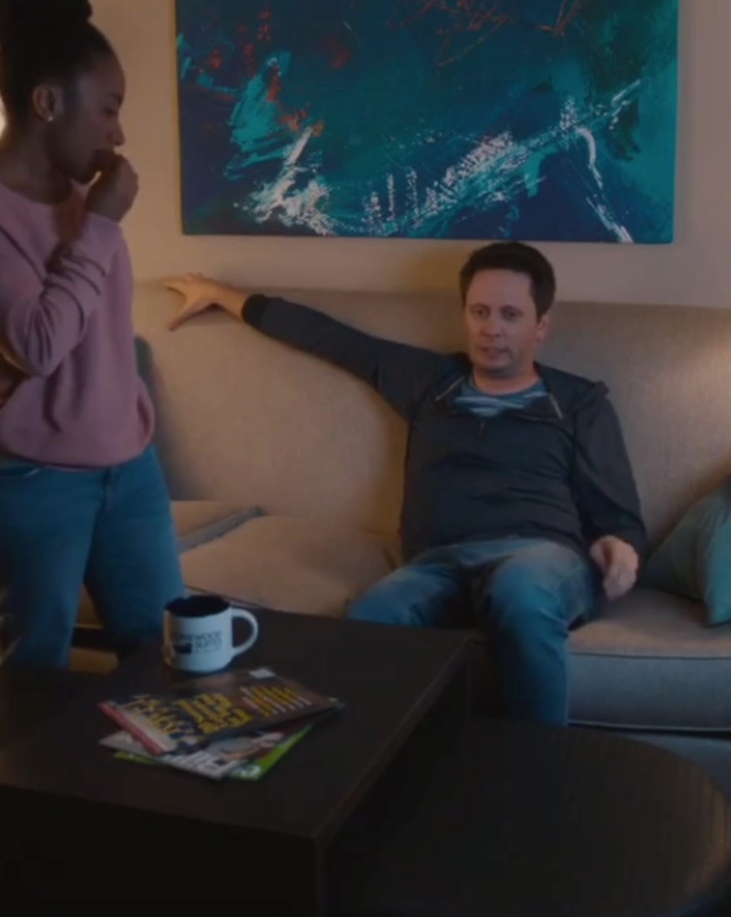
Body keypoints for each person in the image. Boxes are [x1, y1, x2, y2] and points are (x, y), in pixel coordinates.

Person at [164, 243, 645, 725]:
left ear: (541, 325)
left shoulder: (579, 403)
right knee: (372, 615)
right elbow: (329, 338)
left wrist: (620, 545)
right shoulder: (430, 381)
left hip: (540, 557)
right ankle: (368, 763)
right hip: (440, 563)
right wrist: (221, 295)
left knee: (518, 589)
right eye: (479, 312)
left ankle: (540, 764)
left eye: (510, 314)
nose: (491, 328)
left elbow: (619, 517)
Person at [0, 0, 184, 670]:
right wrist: (100, 223)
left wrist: (93, 217)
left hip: (128, 468)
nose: (118, 132)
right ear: (47, 101)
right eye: (108, 108)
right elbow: (39, 346)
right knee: (36, 677)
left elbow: (100, 333)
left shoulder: (79, 196)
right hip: (29, 479)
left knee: (170, 659)